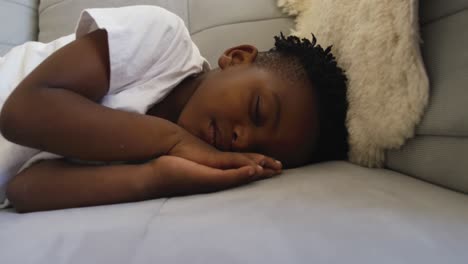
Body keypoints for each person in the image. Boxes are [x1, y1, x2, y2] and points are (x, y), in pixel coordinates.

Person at [0, 5, 348, 213]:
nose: (243, 139)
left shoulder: (172, 159)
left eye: (258, 151)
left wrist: (155, 179)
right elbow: (21, 113)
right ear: (237, 58)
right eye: (257, 110)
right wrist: (171, 140)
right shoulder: (163, 40)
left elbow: (24, 189)